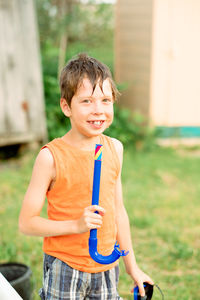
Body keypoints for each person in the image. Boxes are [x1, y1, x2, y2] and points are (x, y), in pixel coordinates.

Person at [19, 53, 154, 299]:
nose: (98, 110)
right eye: (87, 101)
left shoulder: (115, 148)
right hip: (65, 266)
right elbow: (27, 223)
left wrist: (132, 266)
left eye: (105, 99)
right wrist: (76, 225)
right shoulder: (50, 157)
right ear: (66, 106)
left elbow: (118, 210)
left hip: (106, 267)